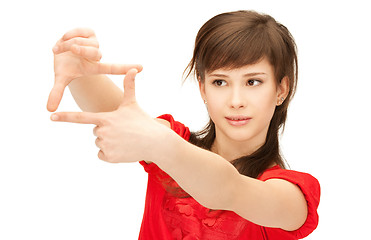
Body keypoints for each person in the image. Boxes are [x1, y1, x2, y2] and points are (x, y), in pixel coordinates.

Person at [48, 10, 320, 240]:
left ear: (281, 90)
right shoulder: (173, 142)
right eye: (220, 82)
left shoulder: (292, 195)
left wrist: (156, 143)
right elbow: (115, 113)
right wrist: (80, 70)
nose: (236, 101)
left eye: (253, 82)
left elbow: (228, 189)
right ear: (202, 88)